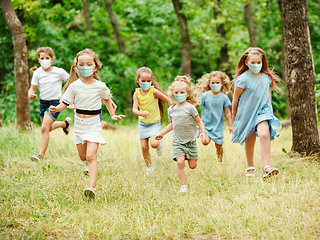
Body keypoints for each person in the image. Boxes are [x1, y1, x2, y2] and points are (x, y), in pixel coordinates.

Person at [49, 48, 125, 199]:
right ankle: (89, 168)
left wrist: (112, 114)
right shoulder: (74, 86)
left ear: (95, 67)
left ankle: (92, 187)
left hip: (93, 124)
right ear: (76, 67)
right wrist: (55, 108)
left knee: (91, 156)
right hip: (79, 124)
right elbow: (64, 103)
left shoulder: (100, 86)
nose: (85, 67)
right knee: (83, 157)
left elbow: (107, 99)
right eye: (81, 64)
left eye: (88, 64)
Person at [232, 47, 282, 178]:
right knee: (250, 140)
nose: (256, 65)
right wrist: (234, 116)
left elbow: (268, 94)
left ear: (262, 62)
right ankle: (250, 167)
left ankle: (266, 167)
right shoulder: (243, 79)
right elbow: (235, 99)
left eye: (258, 62)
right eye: (252, 63)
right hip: (247, 112)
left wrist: (269, 111)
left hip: (263, 112)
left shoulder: (266, 77)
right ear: (246, 63)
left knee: (264, 134)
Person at [155, 76, 207, 193]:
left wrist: (203, 132)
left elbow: (199, 121)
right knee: (180, 163)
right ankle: (183, 186)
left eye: (182, 92)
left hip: (191, 140)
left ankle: (188, 156)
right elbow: (172, 124)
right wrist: (162, 133)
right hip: (178, 141)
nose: (179, 94)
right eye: (176, 92)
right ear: (173, 94)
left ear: (187, 94)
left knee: (193, 166)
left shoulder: (190, 108)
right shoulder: (171, 109)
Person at [28, 47, 71, 161]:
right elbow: (32, 88)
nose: (44, 60)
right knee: (47, 128)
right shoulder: (37, 73)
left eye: (47, 58)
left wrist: (65, 96)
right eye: (42, 58)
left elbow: (71, 82)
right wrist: (31, 94)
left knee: (44, 129)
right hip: (43, 104)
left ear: (52, 59)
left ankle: (40, 155)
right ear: (38, 60)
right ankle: (64, 124)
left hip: (55, 103)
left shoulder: (59, 71)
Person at [132, 67, 172, 175]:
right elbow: (134, 109)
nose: (146, 83)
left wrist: (171, 115)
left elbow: (168, 100)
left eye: (148, 81)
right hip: (143, 124)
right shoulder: (136, 94)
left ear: (151, 80)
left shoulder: (153, 91)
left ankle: (159, 144)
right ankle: (149, 167)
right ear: (138, 81)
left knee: (154, 144)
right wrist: (141, 113)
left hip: (154, 123)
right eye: (143, 81)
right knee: (144, 147)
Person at [195, 71, 233, 164]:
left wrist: (230, 125)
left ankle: (219, 161)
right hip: (206, 126)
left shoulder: (224, 97)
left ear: (222, 83)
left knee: (219, 146)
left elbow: (227, 112)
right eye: (213, 83)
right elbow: (195, 107)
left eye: (217, 83)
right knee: (205, 142)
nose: (215, 84)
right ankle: (202, 135)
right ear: (209, 83)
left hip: (218, 127)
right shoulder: (204, 96)